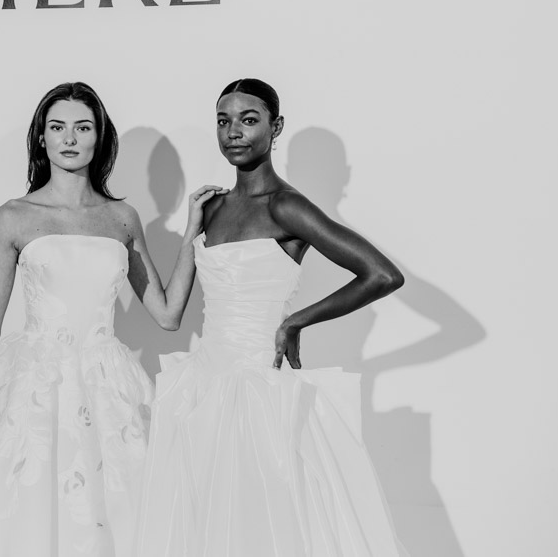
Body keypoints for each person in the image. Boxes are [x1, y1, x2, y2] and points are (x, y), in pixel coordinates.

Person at [0, 82, 220, 557]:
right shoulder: (15, 217)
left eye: (83, 127)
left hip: (108, 387)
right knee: (25, 520)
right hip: (33, 389)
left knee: (121, 518)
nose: (69, 137)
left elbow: (166, 314)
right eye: (57, 127)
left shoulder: (123, 218)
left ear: (99, 137)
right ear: (40, 137)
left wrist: (191, 233)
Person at [134, 78, 408, 556]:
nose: (233, 132)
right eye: (224, 121)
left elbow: (381, 274)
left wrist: (296, 320)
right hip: (204, 383)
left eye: (248, 119)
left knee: (264, 523)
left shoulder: (285, 205)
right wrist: (190, 230)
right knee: (200, 521)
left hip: (259, 385)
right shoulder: (211, 207)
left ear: (275, 127)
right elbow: (176, 309)